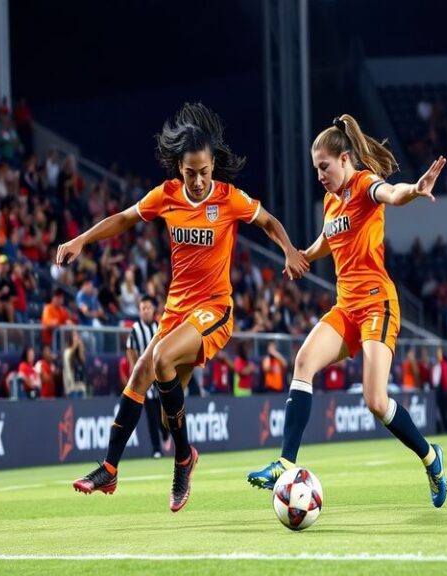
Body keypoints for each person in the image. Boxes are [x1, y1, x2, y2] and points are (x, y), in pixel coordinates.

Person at [57, 102, 307, 511]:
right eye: (190, 173)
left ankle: (182, 459)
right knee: (145, 380)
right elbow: (124, 218)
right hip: (176, 311)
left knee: (159, 359)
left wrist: (289, 250)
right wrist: (81, 240)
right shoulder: (167, 195)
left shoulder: (229, 199)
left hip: (214, 309)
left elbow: (268, 221)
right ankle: (110, 469)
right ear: (180, 168)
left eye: (204, 172)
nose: (198, 180)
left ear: (213, 166)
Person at [247, 115, 447, 508]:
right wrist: (303, 255)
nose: (319, 176)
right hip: (346, 306)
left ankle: (430, 457)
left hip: (377, 303)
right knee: (303, 362)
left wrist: (414, 189)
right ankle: (285, 463)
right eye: (316, 169)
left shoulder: (364, 184)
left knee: (376, 401)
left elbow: (392, 193)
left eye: (324, 167)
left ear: (344, 159)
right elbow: (329, 237)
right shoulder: (331, 201)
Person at [126, 295, 168, 458]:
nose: (145, 311)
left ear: (153, 309)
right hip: (145, 377)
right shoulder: (135, 329)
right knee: (151, 415)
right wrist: (136, 372)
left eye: (148, 308)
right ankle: (156, 448)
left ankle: (165, 434)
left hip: (160, 375)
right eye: (142, 308)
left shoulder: (159, 326)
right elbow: (130, 350)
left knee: (163, 410)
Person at [63, 331, 87, 399]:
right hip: (72, 388)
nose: (77, 337)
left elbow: (83, 362)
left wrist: (81, 349)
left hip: (81, 387)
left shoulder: (79, 352)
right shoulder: (67, 351)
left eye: (77, 335)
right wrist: (74, 346)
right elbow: (68, 360)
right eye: (74, 335)